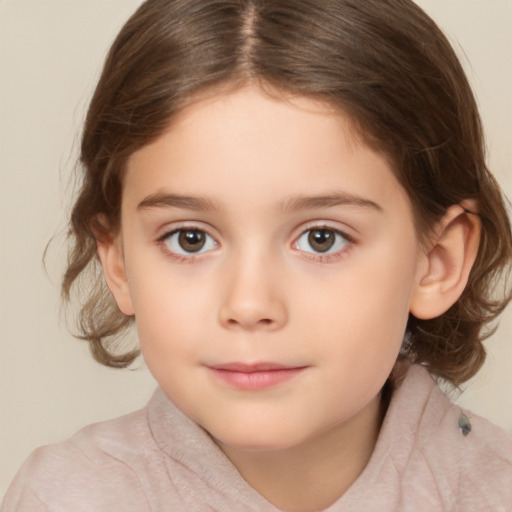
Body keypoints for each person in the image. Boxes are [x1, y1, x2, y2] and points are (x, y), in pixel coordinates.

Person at [4, 0, 512, 510]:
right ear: (118, 262)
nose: (249, 304)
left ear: (437, 261)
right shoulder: (66, 497)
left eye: (321, 238)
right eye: (190, 239)